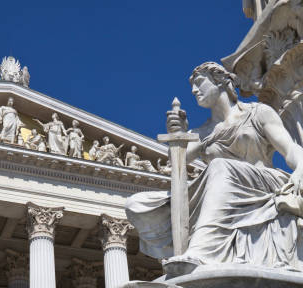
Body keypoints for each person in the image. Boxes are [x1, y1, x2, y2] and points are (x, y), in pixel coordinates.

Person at [126, 61, 303, 271]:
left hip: (264, 183)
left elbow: (290, 149)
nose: (194, 90)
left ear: (220, 82)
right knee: (136, 203)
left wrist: (300, 169)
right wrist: (179, 136)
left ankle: (203, 249)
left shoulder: (258, 113)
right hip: (220, 187)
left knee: (219, 166)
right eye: (192, 86)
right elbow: (177, 164)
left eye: (199, 83)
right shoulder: (202, 133)